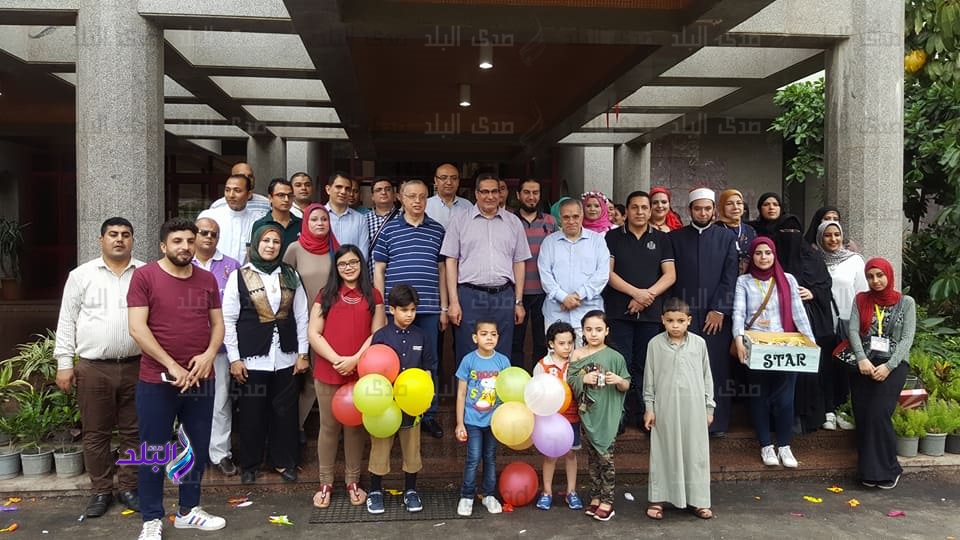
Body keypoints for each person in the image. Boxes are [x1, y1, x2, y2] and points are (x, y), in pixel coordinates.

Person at [127, 218, 226, 539]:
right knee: (154, 449)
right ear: (163, 245)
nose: (185, 247)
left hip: (200, 378)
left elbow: (218, 324)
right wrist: (172, 365)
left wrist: (209, 354)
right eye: (177, 241)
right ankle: (151, 517)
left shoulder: (206, 279)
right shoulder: (145, 276)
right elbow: (137, 328)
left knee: (196, 447)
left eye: (189, 241)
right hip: (157, 380)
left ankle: (188, 510)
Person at [54, 217, 144, 518]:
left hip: (137, 366)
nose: (119, 239)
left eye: (126, 235)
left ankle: (129, 487)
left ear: (132, 240)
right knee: (95, 433)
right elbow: (67, 320)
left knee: (135, 432)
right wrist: (64, 364)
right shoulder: (81, 275)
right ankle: (101, 491)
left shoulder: (146, 273)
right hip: (94, 368)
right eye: (113, 234)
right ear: (101, 240)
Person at [223, 224, 310, 485]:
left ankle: (284, 462)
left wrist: (303, 353)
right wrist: (234, 358)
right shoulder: (239, 276)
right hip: (252, 358)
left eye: (275, 241)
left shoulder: (291, 274)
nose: (271, 246)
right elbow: (228, 319)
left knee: (285, 413)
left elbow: (301, 315)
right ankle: (250, 465)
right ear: (255, 244)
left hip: (286, 357)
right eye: (265, 241)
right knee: (252, 414)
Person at [308, 245, 385, 509]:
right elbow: (313, 332)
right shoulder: (326, 294)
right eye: (342, 264)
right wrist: (336, 360)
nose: (348, 268)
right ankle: (325, 483)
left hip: (360, 371)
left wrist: (354, 359)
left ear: (361, 265)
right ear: (336, 268)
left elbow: (377, 333)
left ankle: (353, 481)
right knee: (328, 427)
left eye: (353, 263)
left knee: (355, 428)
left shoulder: (373, 295)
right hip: (328, 370)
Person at [751, 195, 834, 434]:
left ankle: (806, 419)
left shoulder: (812, 256)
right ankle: (774, 421)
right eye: (785, 233)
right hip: (775, 326)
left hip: (807, 323)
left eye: (794, 232)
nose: (790, 236)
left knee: (805, 374)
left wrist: (813, 292)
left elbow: (825, 285)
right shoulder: (770, 259)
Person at [373, 179, 448, 438]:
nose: (417, 201)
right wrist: (381, 307)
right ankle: (394, 409)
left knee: (429, 362)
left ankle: (428, 413)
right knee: (393, 361)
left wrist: (444, 307)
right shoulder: (388, 230)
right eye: (411, 196)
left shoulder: (437, 229)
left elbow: (442, 270)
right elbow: (379, 270)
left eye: (422, 196)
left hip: (428, 308)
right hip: (395, 309)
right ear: (401, 198)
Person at [732, 238, 815, 468]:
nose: (763, 257)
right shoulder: (744, 281)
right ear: (752, 256)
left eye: (768, 252)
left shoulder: (788, 279)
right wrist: (738, 341)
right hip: (756, 347)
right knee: (759, 396)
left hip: (785, 346)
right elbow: (738, 313)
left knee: (786, 398)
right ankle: (766, 445)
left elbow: (799, 314)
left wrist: (811, 343)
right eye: (758, 253)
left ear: (774, 254)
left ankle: (785, 446)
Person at [669, 188, 738, 437]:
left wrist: (719, 309)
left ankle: (715, 423)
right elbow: (670, 277)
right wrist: (676, 314)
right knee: (683, 368)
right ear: (690, 210)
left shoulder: (726, 237)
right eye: (698, 208)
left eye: (707, 208)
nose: (703, 213)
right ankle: (685, 422)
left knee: (715, 367)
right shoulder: (675, 238)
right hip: (682, 315)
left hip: (715, 316)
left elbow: (730, 276)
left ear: (714, 210)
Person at [603, 191, 675, 431]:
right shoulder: (612, 237)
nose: (640, 212)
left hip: (650, 313)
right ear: (627, 211)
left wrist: (646, 297)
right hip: (618, 311)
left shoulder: (662, 239)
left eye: (645, 207)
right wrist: (636, 293)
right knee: (620, 363)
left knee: (646, 365)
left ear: (650, 210)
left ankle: (645, 414)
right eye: (635, 207)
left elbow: (670, 275)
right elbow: (608, 273)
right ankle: (619, 414)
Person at [442, 173, 531, 366]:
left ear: (501, 194)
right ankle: (467, 388)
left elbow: (519, 262)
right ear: (476, 193)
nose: (490, 196)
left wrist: (518, 301)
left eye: (494, 191)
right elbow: (451, 261)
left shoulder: (513, 222)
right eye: (484, 192)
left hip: (503, 295)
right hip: (469, 295)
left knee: (502, 352)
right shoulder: (460, 220)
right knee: (468, 351)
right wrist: (453, 302)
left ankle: (499, 387)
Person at [643, 297, 714, 521]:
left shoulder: (699, 344)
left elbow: (707, 377)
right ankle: (658, 498)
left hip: (694, 408)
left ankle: (698, 500)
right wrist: (649, 407)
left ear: (689, 321)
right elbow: (649, 379)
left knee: (695, 453)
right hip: (665, 408)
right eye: (670, 320)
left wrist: (709, 408)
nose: (675, 325)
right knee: (663, 451)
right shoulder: (655, 344)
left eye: (680, 321)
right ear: (662, 320)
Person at [849, 258, 916, 489]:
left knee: (879, 413)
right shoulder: (861, 299)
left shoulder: (906, 302)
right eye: (870, 276)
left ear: (889, 275)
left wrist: (889, 366)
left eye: (880, 275)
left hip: (893, 365)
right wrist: (861, 358)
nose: (875, 280)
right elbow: (853, 330)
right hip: (865, 363)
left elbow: (907, 338)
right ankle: (868, 471)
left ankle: (890, 469)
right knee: (863, 415)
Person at [365, 285, 431, 514]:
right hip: (384, 405)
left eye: (412, 310)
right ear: (392, 310)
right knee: (380, 447)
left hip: (412, 403)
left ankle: (411, 490)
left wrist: (426, 397)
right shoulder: (381, 336)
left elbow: (427, 369)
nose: (409, 315)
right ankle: (375, 491)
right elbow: (371, 370)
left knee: (412, 448)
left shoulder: (421, 335)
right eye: (404, 310)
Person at [283, 204, 340, 445]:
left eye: (324, 219)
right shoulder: (294, 249)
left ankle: (302, 426)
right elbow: (284, 285)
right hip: (298, 323)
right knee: (296, 377)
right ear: (305, 223)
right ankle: (288, 429)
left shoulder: (336, 249)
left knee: (319, 378)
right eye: (314, 219)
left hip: (330, 325)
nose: (319, 223)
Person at [567, 310, 629, 521]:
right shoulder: (577, 354)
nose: (593, 334)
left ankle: (607, 501)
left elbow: (626, 384)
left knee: (606, 458)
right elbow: (570, 382)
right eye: (589, 329)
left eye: (598, 329)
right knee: (593, 458)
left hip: (607, 413)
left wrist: (618, 381)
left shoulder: (615, 357)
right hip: (588, 413)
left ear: (607, 331)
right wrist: (583, 379)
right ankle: (595, 496)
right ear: (583, 331)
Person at [192, 217, 241, 477]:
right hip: (186, 348)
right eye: (203, 232)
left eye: (213, 234)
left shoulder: (231, 266)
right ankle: (193, 454)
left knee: (220, 402)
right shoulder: (181, 262)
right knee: (188, 402)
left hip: (219, 348)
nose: (209, 237)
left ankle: (220, 453)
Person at [454, 319, 510, 517]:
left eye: (493, 334)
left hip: (494, 421)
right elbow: (461, 393)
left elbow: (509, 390)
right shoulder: (468, 360)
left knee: (490, 458)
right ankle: (467, 496)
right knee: (473, 458)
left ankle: (488, 495)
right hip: (472, 420)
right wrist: (460, 423)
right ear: (475, 337)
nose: (489, 338)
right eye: (484, 334)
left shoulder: (503, 361)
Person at [817, 221, 867, 430]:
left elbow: (863, 293)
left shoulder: (854, 261)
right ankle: (828, 410)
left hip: (848, 323)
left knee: (846, 367)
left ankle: (843, 409)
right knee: (824, 367)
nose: (833, 239)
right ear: (820, 238)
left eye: (836, 234)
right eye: (827, 235)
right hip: (823, 323)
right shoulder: (815, 260)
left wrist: (862, 323)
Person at [539, 198, 609, 343]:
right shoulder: (549, 242)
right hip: (556, 314)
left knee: (589, 356)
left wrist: (577, 295)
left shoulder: (597, 241)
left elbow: (602, 275)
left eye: (575, 216)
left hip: (589, 315)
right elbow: (545, 275)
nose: (571, 221)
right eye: (566, 217)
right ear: (560, 218)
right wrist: (563, 298)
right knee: (557, 356)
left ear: (582, 216)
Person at [533, 321, 583, 511]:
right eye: (562, 343)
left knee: (571, 454)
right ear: (551, 344)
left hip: (572, 417)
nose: (567, 347)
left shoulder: (576, 364)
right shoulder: (542, 365)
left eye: (570, 343)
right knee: (550, 455)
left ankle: (572, 492)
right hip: (550, 419)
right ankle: (546, 492)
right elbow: (535, 392)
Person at [512, 179, 557, 370]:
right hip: (515, 292)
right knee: (515, 342)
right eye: (527, 192)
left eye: (535, 192)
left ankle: (539, 379)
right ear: (518, 195)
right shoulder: (509, 220)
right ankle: (517, 380)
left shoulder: (550, 222)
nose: (531, 197)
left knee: (542, 341)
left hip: (543, 292)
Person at [198, 173, 262, 264]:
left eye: (237, 190)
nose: (231, 195)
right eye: (227, 190)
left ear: (249, 194)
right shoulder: (209, 216)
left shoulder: (258, 220)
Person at [251, 178, 301, 256]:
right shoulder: (261, 225)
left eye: (290, 195)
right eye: (281, 195)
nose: (286, 199)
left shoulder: (302, 224)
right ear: (270, 198)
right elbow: (255, 255)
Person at [325, 172, 370, 255]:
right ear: (328, 189)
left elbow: (363, 254)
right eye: (339, 187)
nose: (343, 192)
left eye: (347, 189)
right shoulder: (317, 216)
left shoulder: (360, 219)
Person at [717, 188, 757, 274]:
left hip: (746, 279)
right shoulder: (715, 230)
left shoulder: (750, 230)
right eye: (729, 204)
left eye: (739, 203)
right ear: (722, 207)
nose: (735, 207)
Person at [364, 178, 400, 273]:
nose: (383, 192)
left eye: (388, 189)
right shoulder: (363, 220)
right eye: (378, 190)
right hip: (371, 275)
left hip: (397, 274)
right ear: (372, 196)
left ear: (394, 194)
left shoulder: (404, 218)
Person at [426, 163, 471, 229]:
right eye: (444, 178)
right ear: (436, 180)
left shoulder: (467, 206)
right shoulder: (426, 206)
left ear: (458, 181)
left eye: (454, 178)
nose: (449, 182)